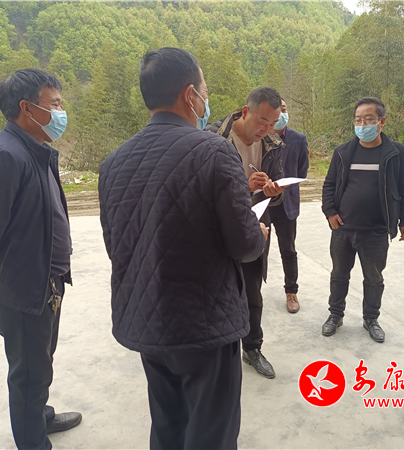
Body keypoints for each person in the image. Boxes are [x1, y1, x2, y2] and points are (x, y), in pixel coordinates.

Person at [98, 48, 267, 449]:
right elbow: (244, 245)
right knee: (211, 433)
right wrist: (258, 231)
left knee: (168, 425)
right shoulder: (214, 150)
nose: (206, 101)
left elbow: (114, 244)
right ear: (190, 95)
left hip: (147, 318)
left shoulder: (113, 162)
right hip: (204, 325)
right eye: (205, 91)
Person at [0, 69, 82, 449]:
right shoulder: (5, 156)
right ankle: (33, 441)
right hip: (24, 289)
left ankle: (39, 417)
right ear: (28, 108)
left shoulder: (33, 150)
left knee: (41, 363)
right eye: (55, 104)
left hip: (45, 282)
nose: (61, 112)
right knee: (29, 375)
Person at [206, 87, 286, 379]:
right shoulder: (212, 138)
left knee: (253, 294)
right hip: (218, 232)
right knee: (217, 294)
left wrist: (274, 191)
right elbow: (203, 190)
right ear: (245, 112)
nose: (266, 129)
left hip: (255, 228)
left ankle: (252, 349)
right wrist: (244, 184)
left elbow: (276, 191)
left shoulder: (272, 144)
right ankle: (218, 353)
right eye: (262, 121)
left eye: (272, 123)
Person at [321, 97, 404, 343]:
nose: (362, 125)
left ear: (381, 122)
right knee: (339, 274)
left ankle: (371, 319)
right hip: (343, 228)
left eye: (369, 119)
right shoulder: (343, 152)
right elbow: (329, 184)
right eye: (358, 120)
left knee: (374, 278)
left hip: (376, 230)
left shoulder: (397, 153)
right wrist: (330, 212)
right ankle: (335, 315)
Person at [271, 98, 310, 313]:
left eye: (284, 109)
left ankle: (291, 292)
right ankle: (252, 291)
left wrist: (288, 185)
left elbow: (302, 170)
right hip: (263, 202)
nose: (282, 113)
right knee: (257, 250)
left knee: (288, 250)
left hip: (287, 204)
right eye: (278, 110)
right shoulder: (259, 136)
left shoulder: (298, 139)